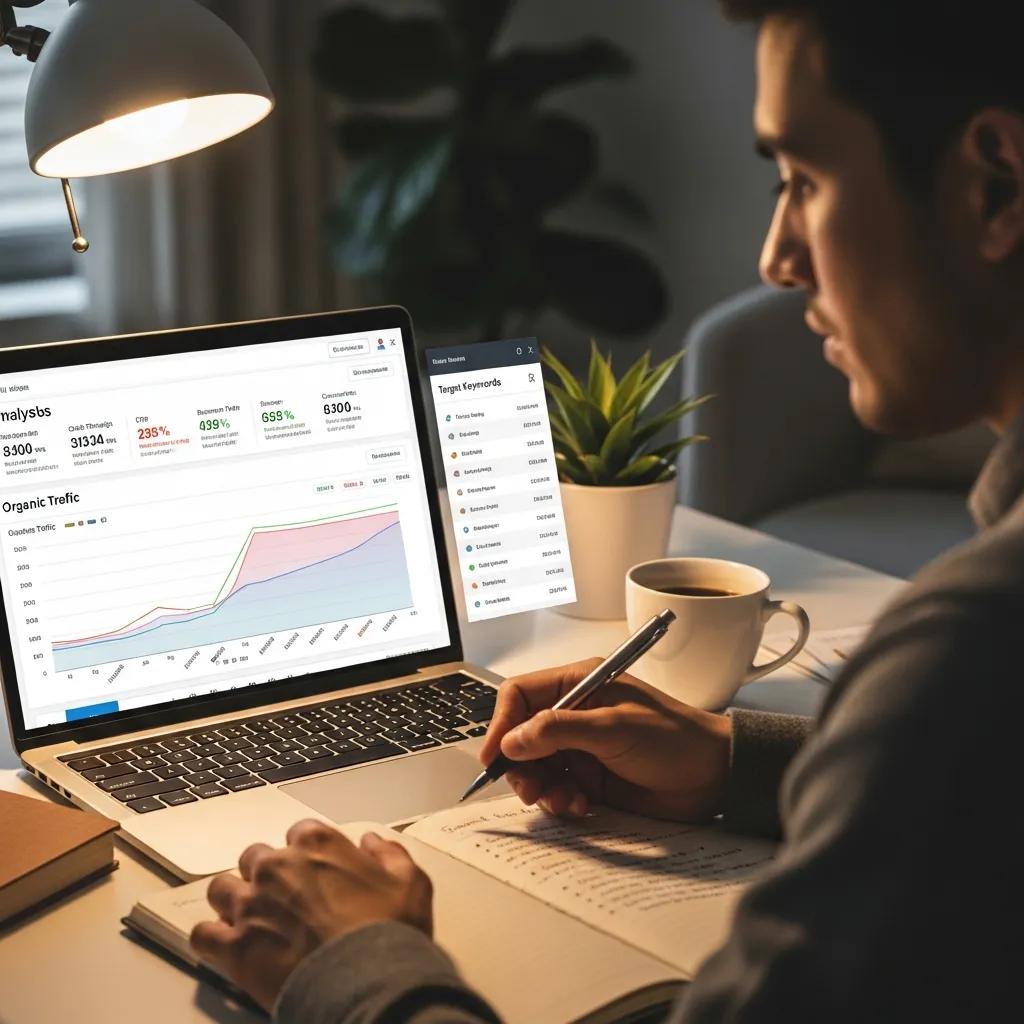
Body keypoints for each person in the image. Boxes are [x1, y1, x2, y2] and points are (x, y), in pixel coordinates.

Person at [190, 2, 1022, 1020]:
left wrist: (358, 964)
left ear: (996, 186)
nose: (775, 258)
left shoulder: (972, 645)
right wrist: (731, 760)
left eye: (802, 179)